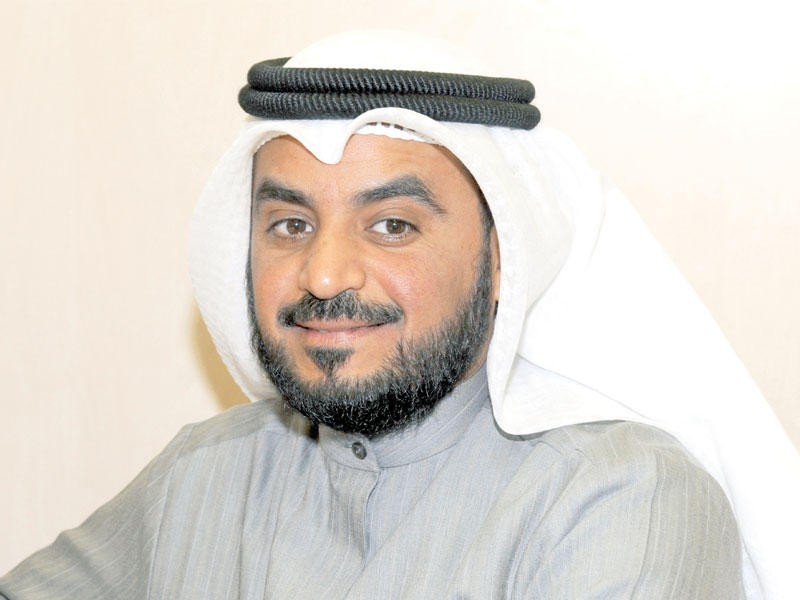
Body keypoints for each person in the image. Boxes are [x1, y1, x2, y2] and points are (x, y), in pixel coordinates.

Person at [1, 30, 798, 599]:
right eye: (290, 224)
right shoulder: (204, 475)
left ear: (502, 258)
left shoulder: (615, 498)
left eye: (392, 225)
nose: (323, 274)